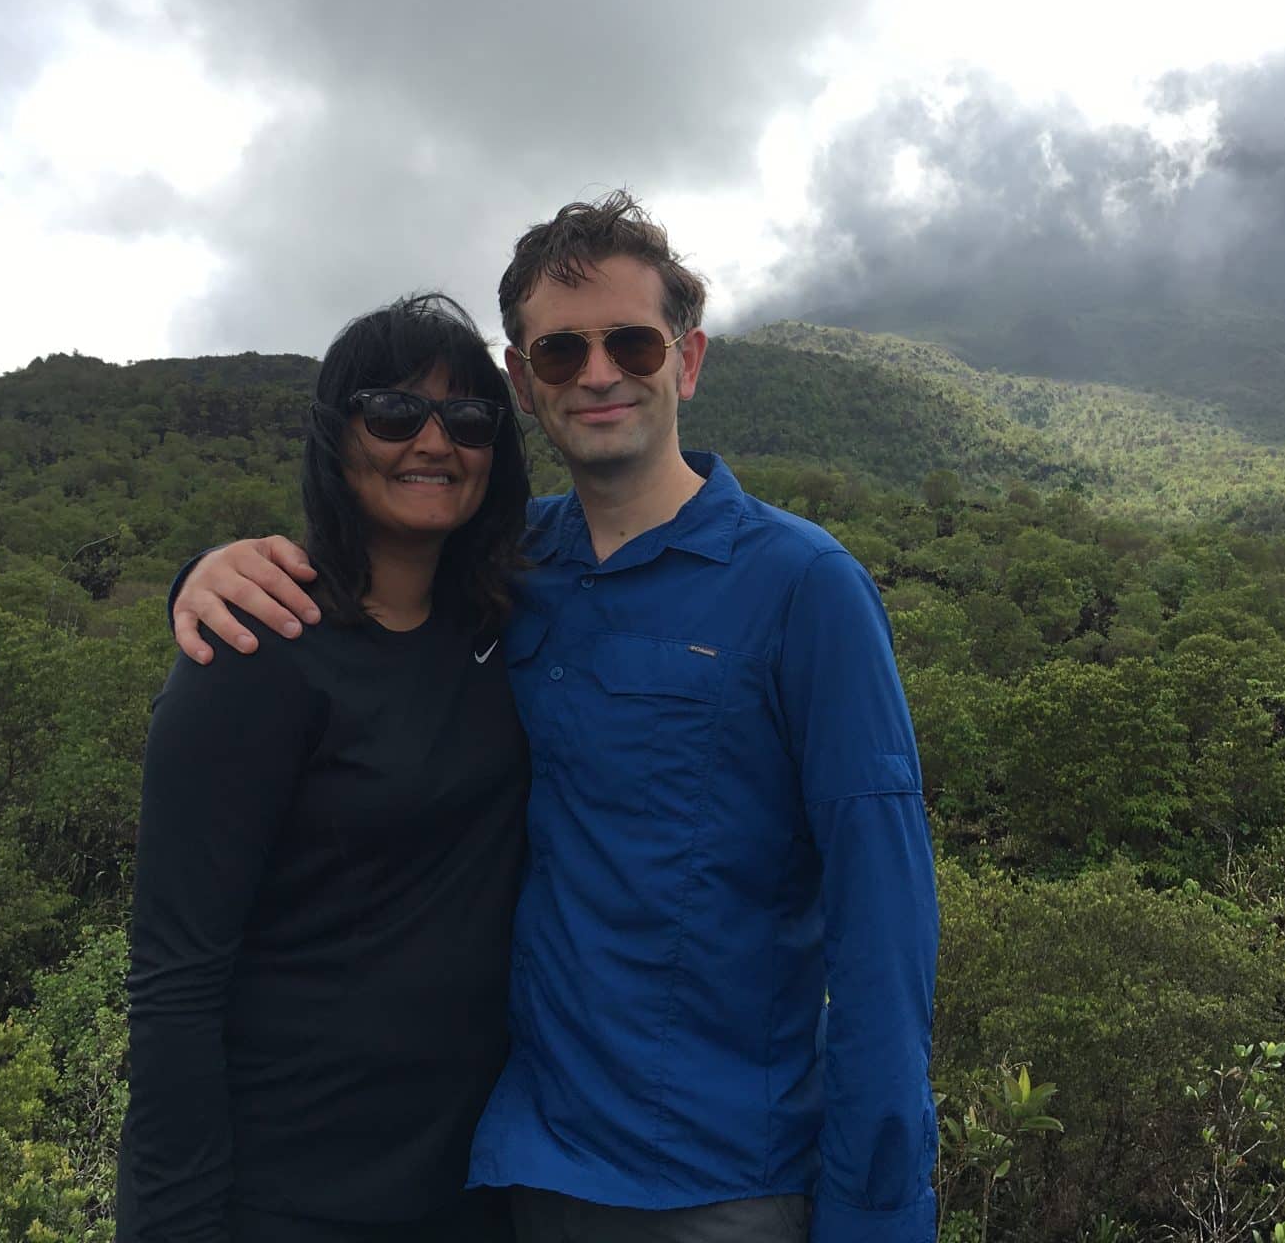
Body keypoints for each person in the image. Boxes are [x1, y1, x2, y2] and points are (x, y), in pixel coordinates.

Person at [172, 194, 941, 1242]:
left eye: (632, 343)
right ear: (524, 381)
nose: (598, 373)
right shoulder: (506, 570)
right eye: (560, 351)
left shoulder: (804, 587)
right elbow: (362, 591)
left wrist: (877, 1215)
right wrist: (206, 573)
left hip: (714, 1186)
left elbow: (882, 931)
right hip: (512, 1168)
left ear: (687, 361)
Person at [120, 293, 531, 1243]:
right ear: (334, 437)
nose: (435, 442)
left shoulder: (507, 622)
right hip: (289, 1191)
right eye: (394, 412)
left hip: (476, 1185)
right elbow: (176, 978)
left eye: (470, 419)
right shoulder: (256, 652)